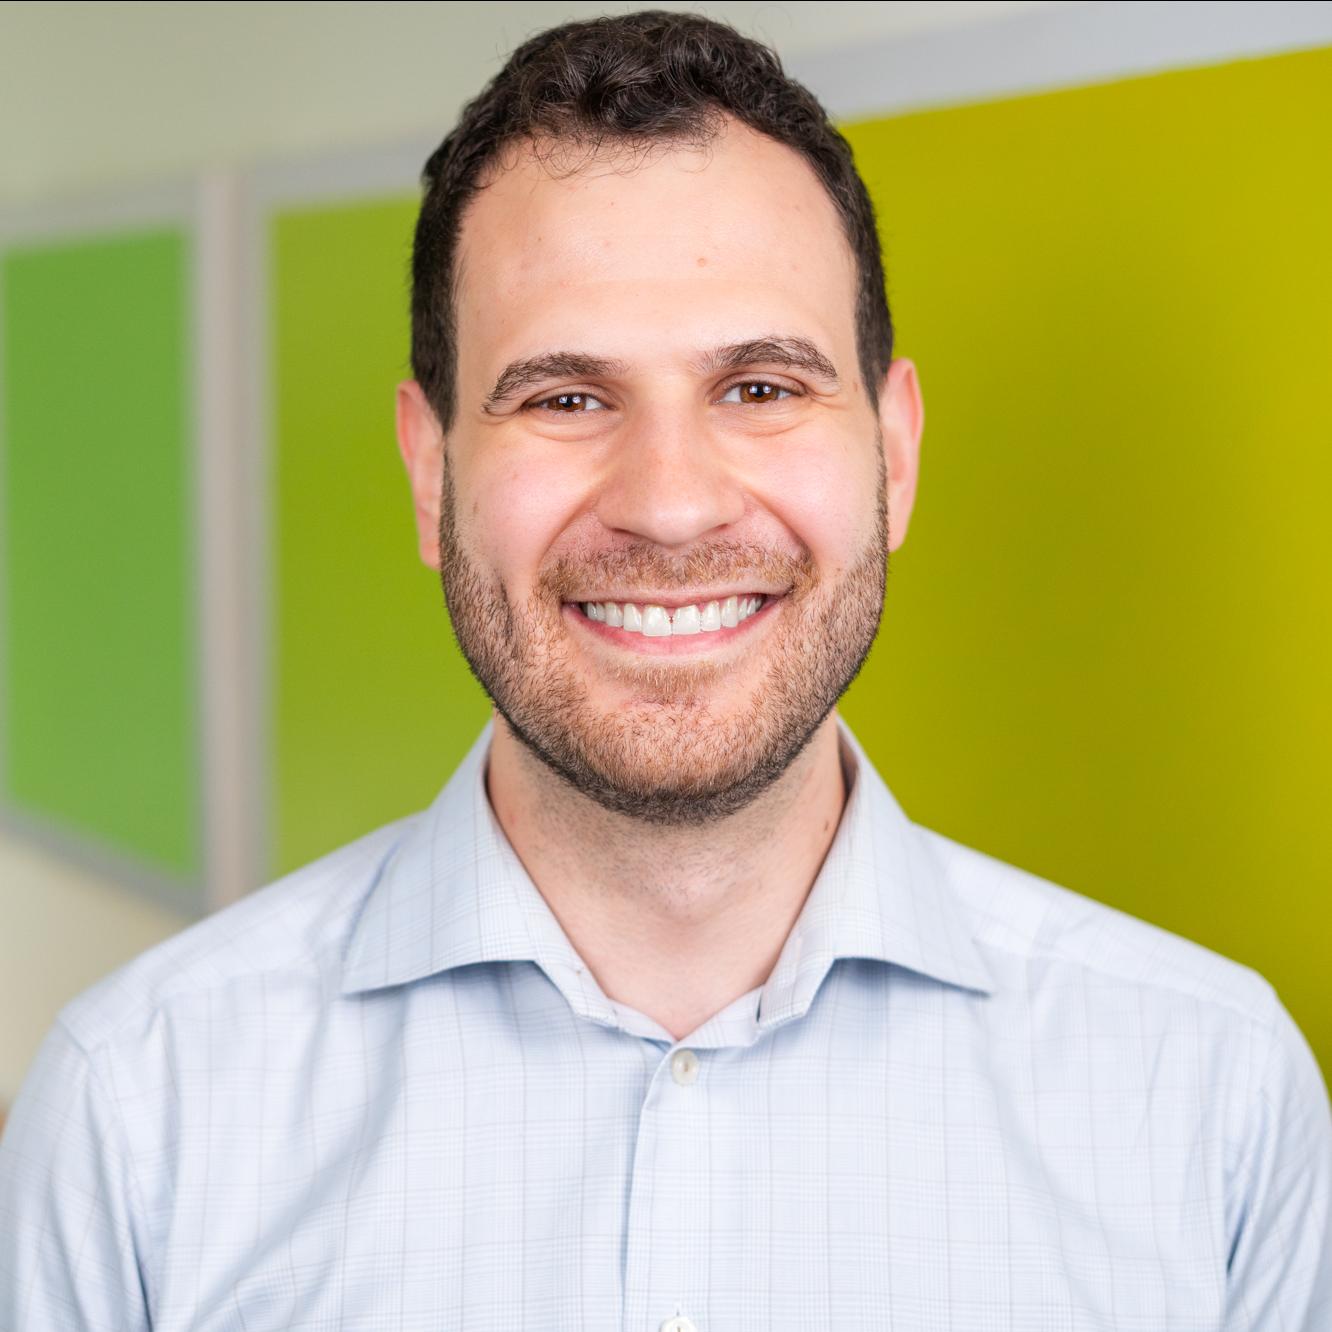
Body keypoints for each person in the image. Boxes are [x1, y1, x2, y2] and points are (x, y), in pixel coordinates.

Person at [2, 9, 1329, 1329]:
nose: (673, 506)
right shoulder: (139, 1117)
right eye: (566, 398)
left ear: (895, 453)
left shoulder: (1213, 1103)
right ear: (430, 471)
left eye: (761, 388)